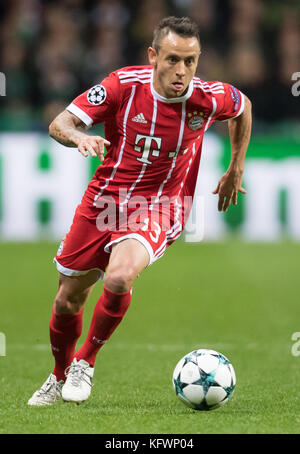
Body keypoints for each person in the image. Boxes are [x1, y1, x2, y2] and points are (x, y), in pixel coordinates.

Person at [28, 16, 252, 406]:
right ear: (153, 56)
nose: (181, 71)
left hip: (162, 205)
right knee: (67, 298)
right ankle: (58, 375)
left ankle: (85, 362)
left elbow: (242, 106)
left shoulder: (207, 97)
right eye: (172, 60)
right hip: (105, 201)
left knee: (118, 277)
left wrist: (236, 166)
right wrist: (80, 136)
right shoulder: (122, 87)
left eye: (190, 61)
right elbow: (59, 123)